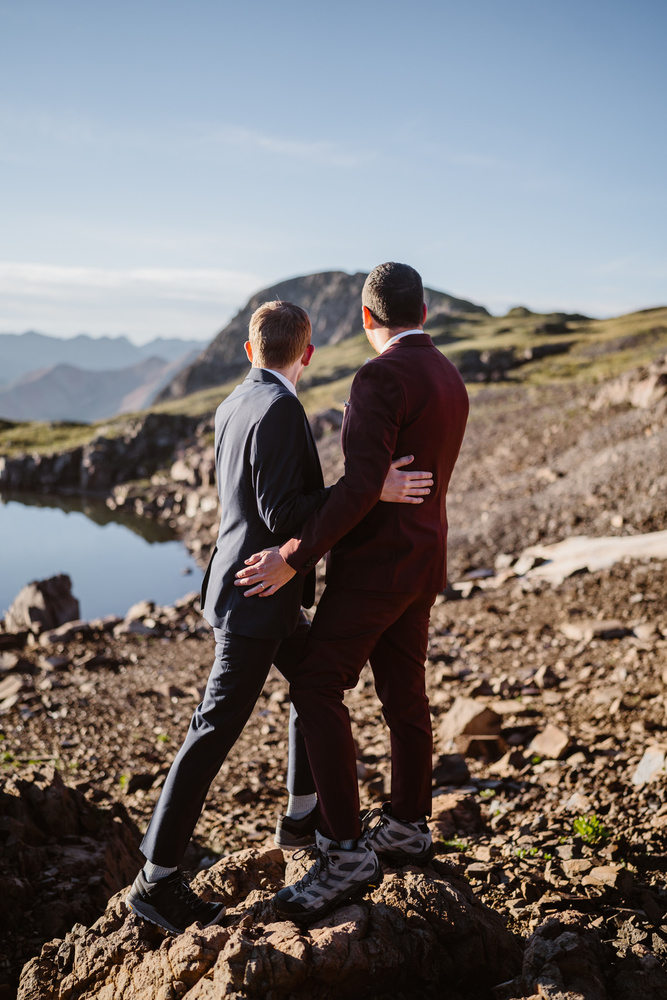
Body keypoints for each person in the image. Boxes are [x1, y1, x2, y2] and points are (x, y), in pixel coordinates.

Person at [126, 298, 432, 934]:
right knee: (211, 733)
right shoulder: (283, 410)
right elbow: (284, 513)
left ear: (248, 351)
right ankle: (154, 882)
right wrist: (368, 490)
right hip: (257, 599)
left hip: (251, 593)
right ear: (309, 353)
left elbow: (247, 506)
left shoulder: (233, 402)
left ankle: (302, 819)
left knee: (315, 680)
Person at [235, 262, 470, 921]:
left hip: (374, 570)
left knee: (314, 683)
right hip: (423, 563)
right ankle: (406, 824)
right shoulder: (446, 374)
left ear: (367, 319)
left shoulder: (378, 376)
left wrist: (292, 555)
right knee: (404, 694)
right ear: (422, 310)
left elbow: (365, 484)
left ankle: (343, 851)